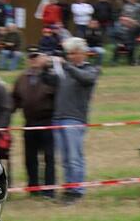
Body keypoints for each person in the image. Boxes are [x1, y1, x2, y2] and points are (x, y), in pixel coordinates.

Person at [47, 38, 100, 202]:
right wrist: (44, 67)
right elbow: (49, 82)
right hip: (58, 118)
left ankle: (77, 189)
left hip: (75, 119)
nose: (71, 56)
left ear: (83, 53)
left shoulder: (91, 69)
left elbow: (85, 79)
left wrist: (66, 66)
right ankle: (69, 187)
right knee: (64, 158)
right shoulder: (63, 71)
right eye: (69, 53)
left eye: (74, 53)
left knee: (74, 157)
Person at [13, 49, 57, 196]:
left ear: (43, 58)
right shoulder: (21, 78)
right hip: (29, 123)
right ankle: (33, 188)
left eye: (36, 57)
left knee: (49, 157)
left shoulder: (51, 76)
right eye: (30, 57)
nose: (33, 60)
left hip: (47, 122)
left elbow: (58, 97)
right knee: (30, 158)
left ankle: (49, 189)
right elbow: (14, 99)